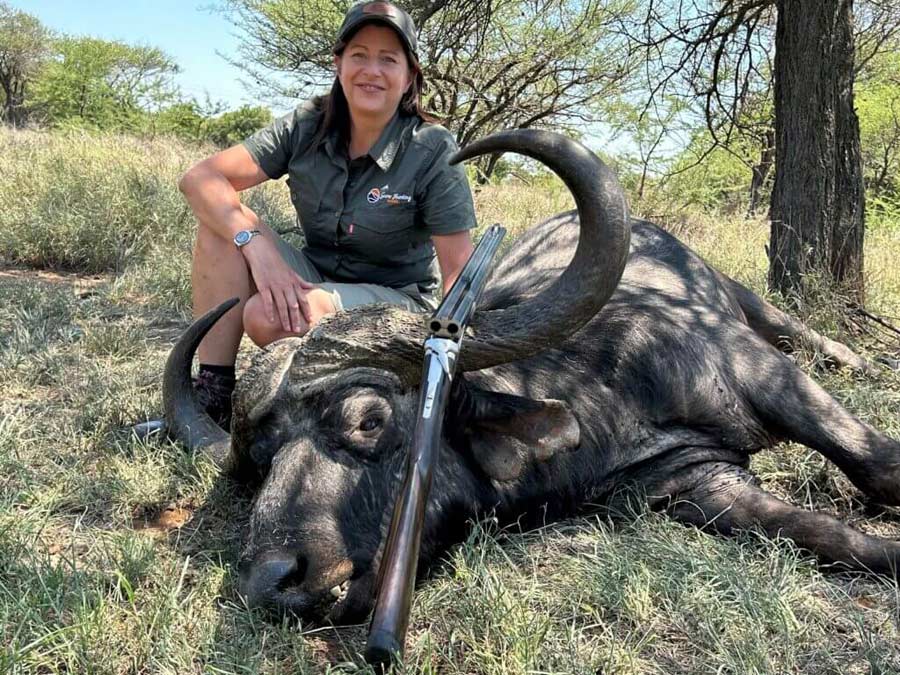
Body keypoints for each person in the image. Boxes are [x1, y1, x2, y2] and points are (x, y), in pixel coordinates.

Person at [177, 1, 477, 430]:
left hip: (398, 300)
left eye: (388, 59)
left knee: (268, 315)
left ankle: (333, 408)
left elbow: (458, 277)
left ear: (409, 76)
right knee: (220, 229)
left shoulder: (433, 147)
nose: (371, 70)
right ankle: (215, 395)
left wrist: (449, 361)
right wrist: (256, 248)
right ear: (338, 64)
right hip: (318, 274)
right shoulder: (306, 123)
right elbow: (200, 178)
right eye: (359, 55)